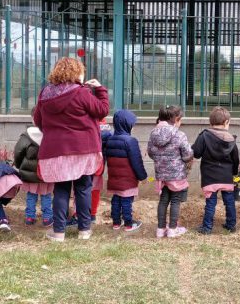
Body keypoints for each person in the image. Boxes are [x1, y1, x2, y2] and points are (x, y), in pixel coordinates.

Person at [34, 57, 110, 242]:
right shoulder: (82, 93)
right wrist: (100, 89)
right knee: (83, 188)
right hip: (83, 148)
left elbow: (38, 120)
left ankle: (59, 233)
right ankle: (84, 230)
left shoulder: (45, 94)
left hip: (56, 149)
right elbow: (102, 110)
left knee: (61, 190)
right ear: (77, 72)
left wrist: (53, 133)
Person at [148, 105, 193, 238]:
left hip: (161, 173)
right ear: (177, 119)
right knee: (175, 200)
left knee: (163, 200)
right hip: (177, 174)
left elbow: (150, 152)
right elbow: (187, 154)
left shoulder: (153, 133)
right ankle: (173, 229)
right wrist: (188, 157)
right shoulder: (179, 135)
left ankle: (160, 229)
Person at [192, 107, 239, 235]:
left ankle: (207, 228)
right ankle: (231, 225)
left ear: (210, 122)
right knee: (229, 202)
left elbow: (196, 153)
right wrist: (234, 173)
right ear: (226, 122)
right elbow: (236, 159)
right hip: (226, 176)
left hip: (209, 177)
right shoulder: (231, 140)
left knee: (210, 203)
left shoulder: (204, 135)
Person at [106, 110, 147, 231]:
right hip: (128, 179)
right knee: (126, 201)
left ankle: (116, 222)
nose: (133, 127)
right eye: (132, 124)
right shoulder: (130, 141)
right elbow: (136, 162)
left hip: (114, 178)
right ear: (126, 124)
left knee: (116, 199)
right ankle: (129, 223)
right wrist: (143, 176)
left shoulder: (110, 140)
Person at [14, 107, 53, 227]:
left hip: (30, 173)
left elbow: (18, 152)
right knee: (46, 195)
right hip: (46, 173)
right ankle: (47, 218)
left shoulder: (26, 136)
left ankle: (30, 217)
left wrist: (20, 165)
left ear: (32, 119)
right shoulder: (51, 134)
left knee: (31, 195)